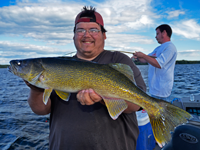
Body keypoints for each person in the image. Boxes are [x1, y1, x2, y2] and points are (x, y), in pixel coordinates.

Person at [25, 6, 146, 150]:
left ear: (104, 35)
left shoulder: (119, 60)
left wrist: (103, 98)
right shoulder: (58, 66)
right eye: (80, 30)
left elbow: (136, 104)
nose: (86, 35)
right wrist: (36, 88)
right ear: (74, 36)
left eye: (93, 30)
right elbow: (41, 110)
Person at [133, 24, 177, 102]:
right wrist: (137, 58)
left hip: (162, 92)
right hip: (154, 90)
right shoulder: (158, 48)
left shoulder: (170, 47)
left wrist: (143, 55)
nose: (155, 37)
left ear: (164, 33)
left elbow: (159, 64)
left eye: (157, 34)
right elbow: (146, 59)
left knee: (160, 114)